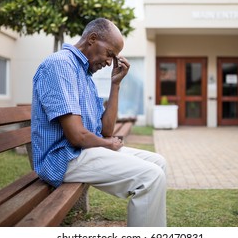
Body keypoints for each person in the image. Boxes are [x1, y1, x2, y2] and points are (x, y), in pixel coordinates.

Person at [31, 18, 167, 227]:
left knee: (159, 163)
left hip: (81, 152)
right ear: (92, 39)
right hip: (62, 158)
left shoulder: (84, 75)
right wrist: (107, 144)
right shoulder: (60, 65)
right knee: (151, 177)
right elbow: (77, 136)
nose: (109, 62)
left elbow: (106, 129)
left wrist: (115, 84)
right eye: (109, 54)